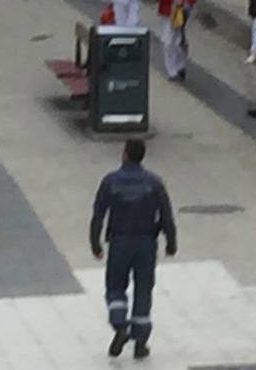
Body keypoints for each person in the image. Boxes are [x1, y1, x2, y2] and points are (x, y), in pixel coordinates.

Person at [90, 139, 177, 360]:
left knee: (116, 286)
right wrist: (171, 242)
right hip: (146, 243)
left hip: (120, 242)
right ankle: (140, 343)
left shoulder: (111, 181)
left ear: (125, 154)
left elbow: (99, 214)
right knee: (143, 289)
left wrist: (95, 243)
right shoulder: (154, 183)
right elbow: (166, 215)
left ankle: (120, 325)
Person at [154, 0, 200, 81]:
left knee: (180, 41)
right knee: (168, 42)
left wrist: (185, 2)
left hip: (182, 13)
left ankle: (181, 66)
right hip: (168, 13)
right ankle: (171, 70)